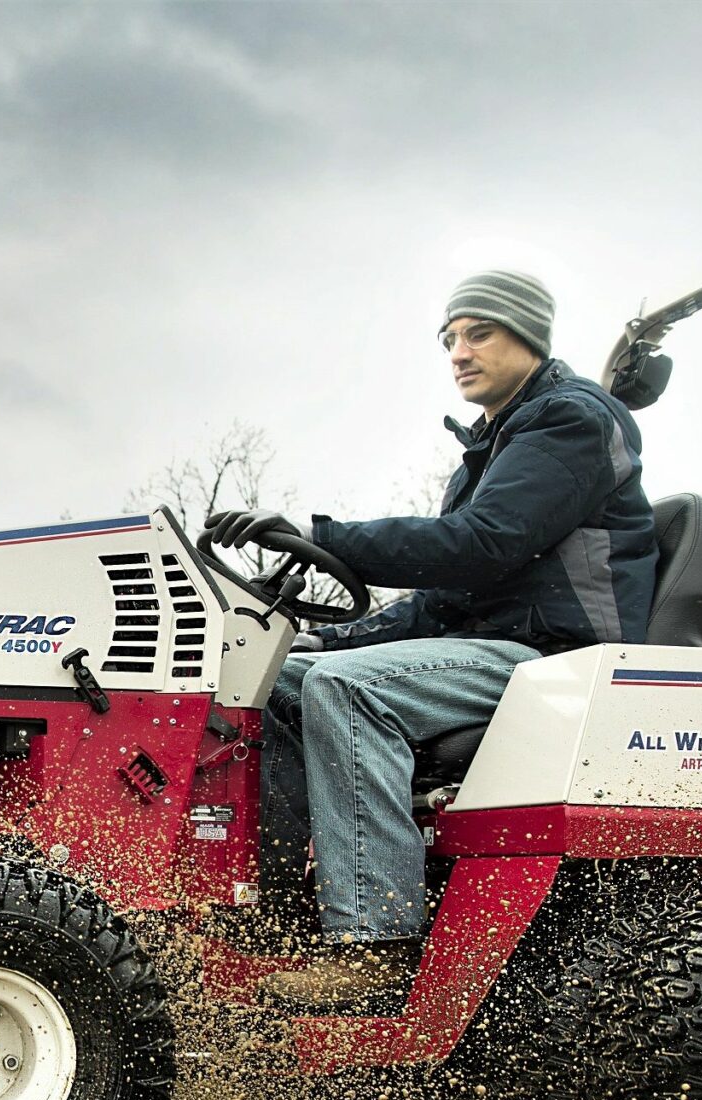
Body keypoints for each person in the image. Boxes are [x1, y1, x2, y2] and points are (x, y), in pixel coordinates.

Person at [205, 270, 656, 990]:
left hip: (556, 657)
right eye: (449, 339)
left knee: (350, 692)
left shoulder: (571, 420)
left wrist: (322, 535)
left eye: (479, 332)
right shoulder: (493, 448)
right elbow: (443, 599)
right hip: (488, 648)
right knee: (275, 682)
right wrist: (320, 642)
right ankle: (280, 914)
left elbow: (480, 544)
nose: (459, 352)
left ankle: (373, 944)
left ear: (529, 337)